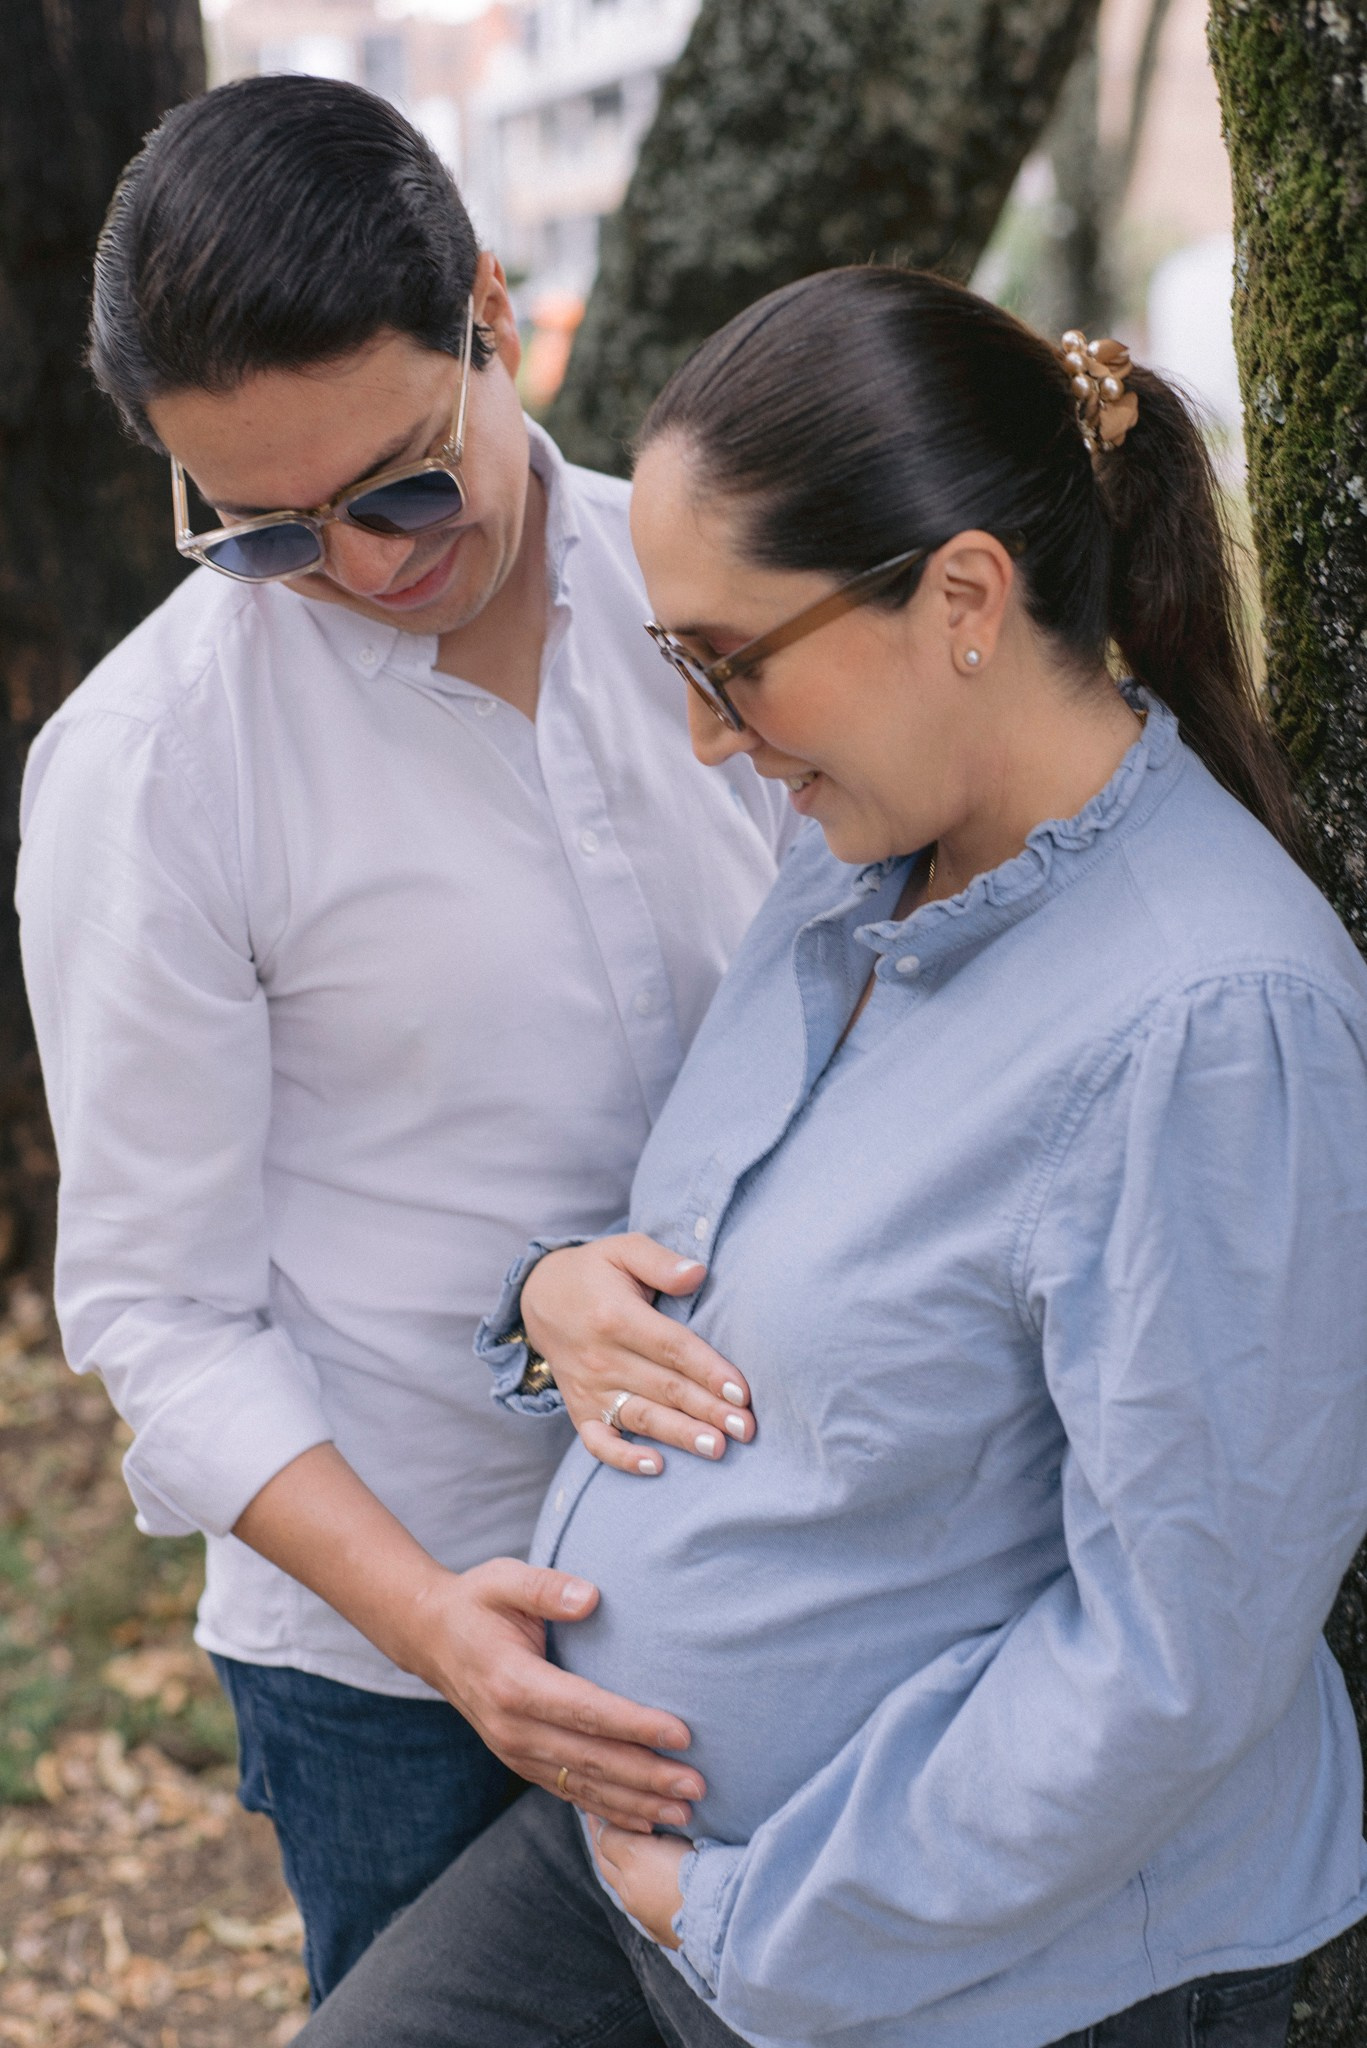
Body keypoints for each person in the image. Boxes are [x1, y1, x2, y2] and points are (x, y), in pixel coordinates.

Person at [296, 267, 1367, 2048]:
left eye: (734, 664)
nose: (710, 736)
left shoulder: (1214, 1024)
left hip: (950, 1958)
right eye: (676, 664)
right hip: (647, 1862)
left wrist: (753, 1916)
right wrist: (553, 1292)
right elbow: (805, 1279)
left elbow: (1179, 1664)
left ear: (963, 597)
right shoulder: (859, 863)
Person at [16, 74, 793, 2005]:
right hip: (396, 1660)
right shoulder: (148, 770)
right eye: (264, 533)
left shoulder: (731, 598)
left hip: (795, 1548)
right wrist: (444, 1629)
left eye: (405, 485)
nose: (365, 566)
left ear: (496, 316)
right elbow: (156, 1311)